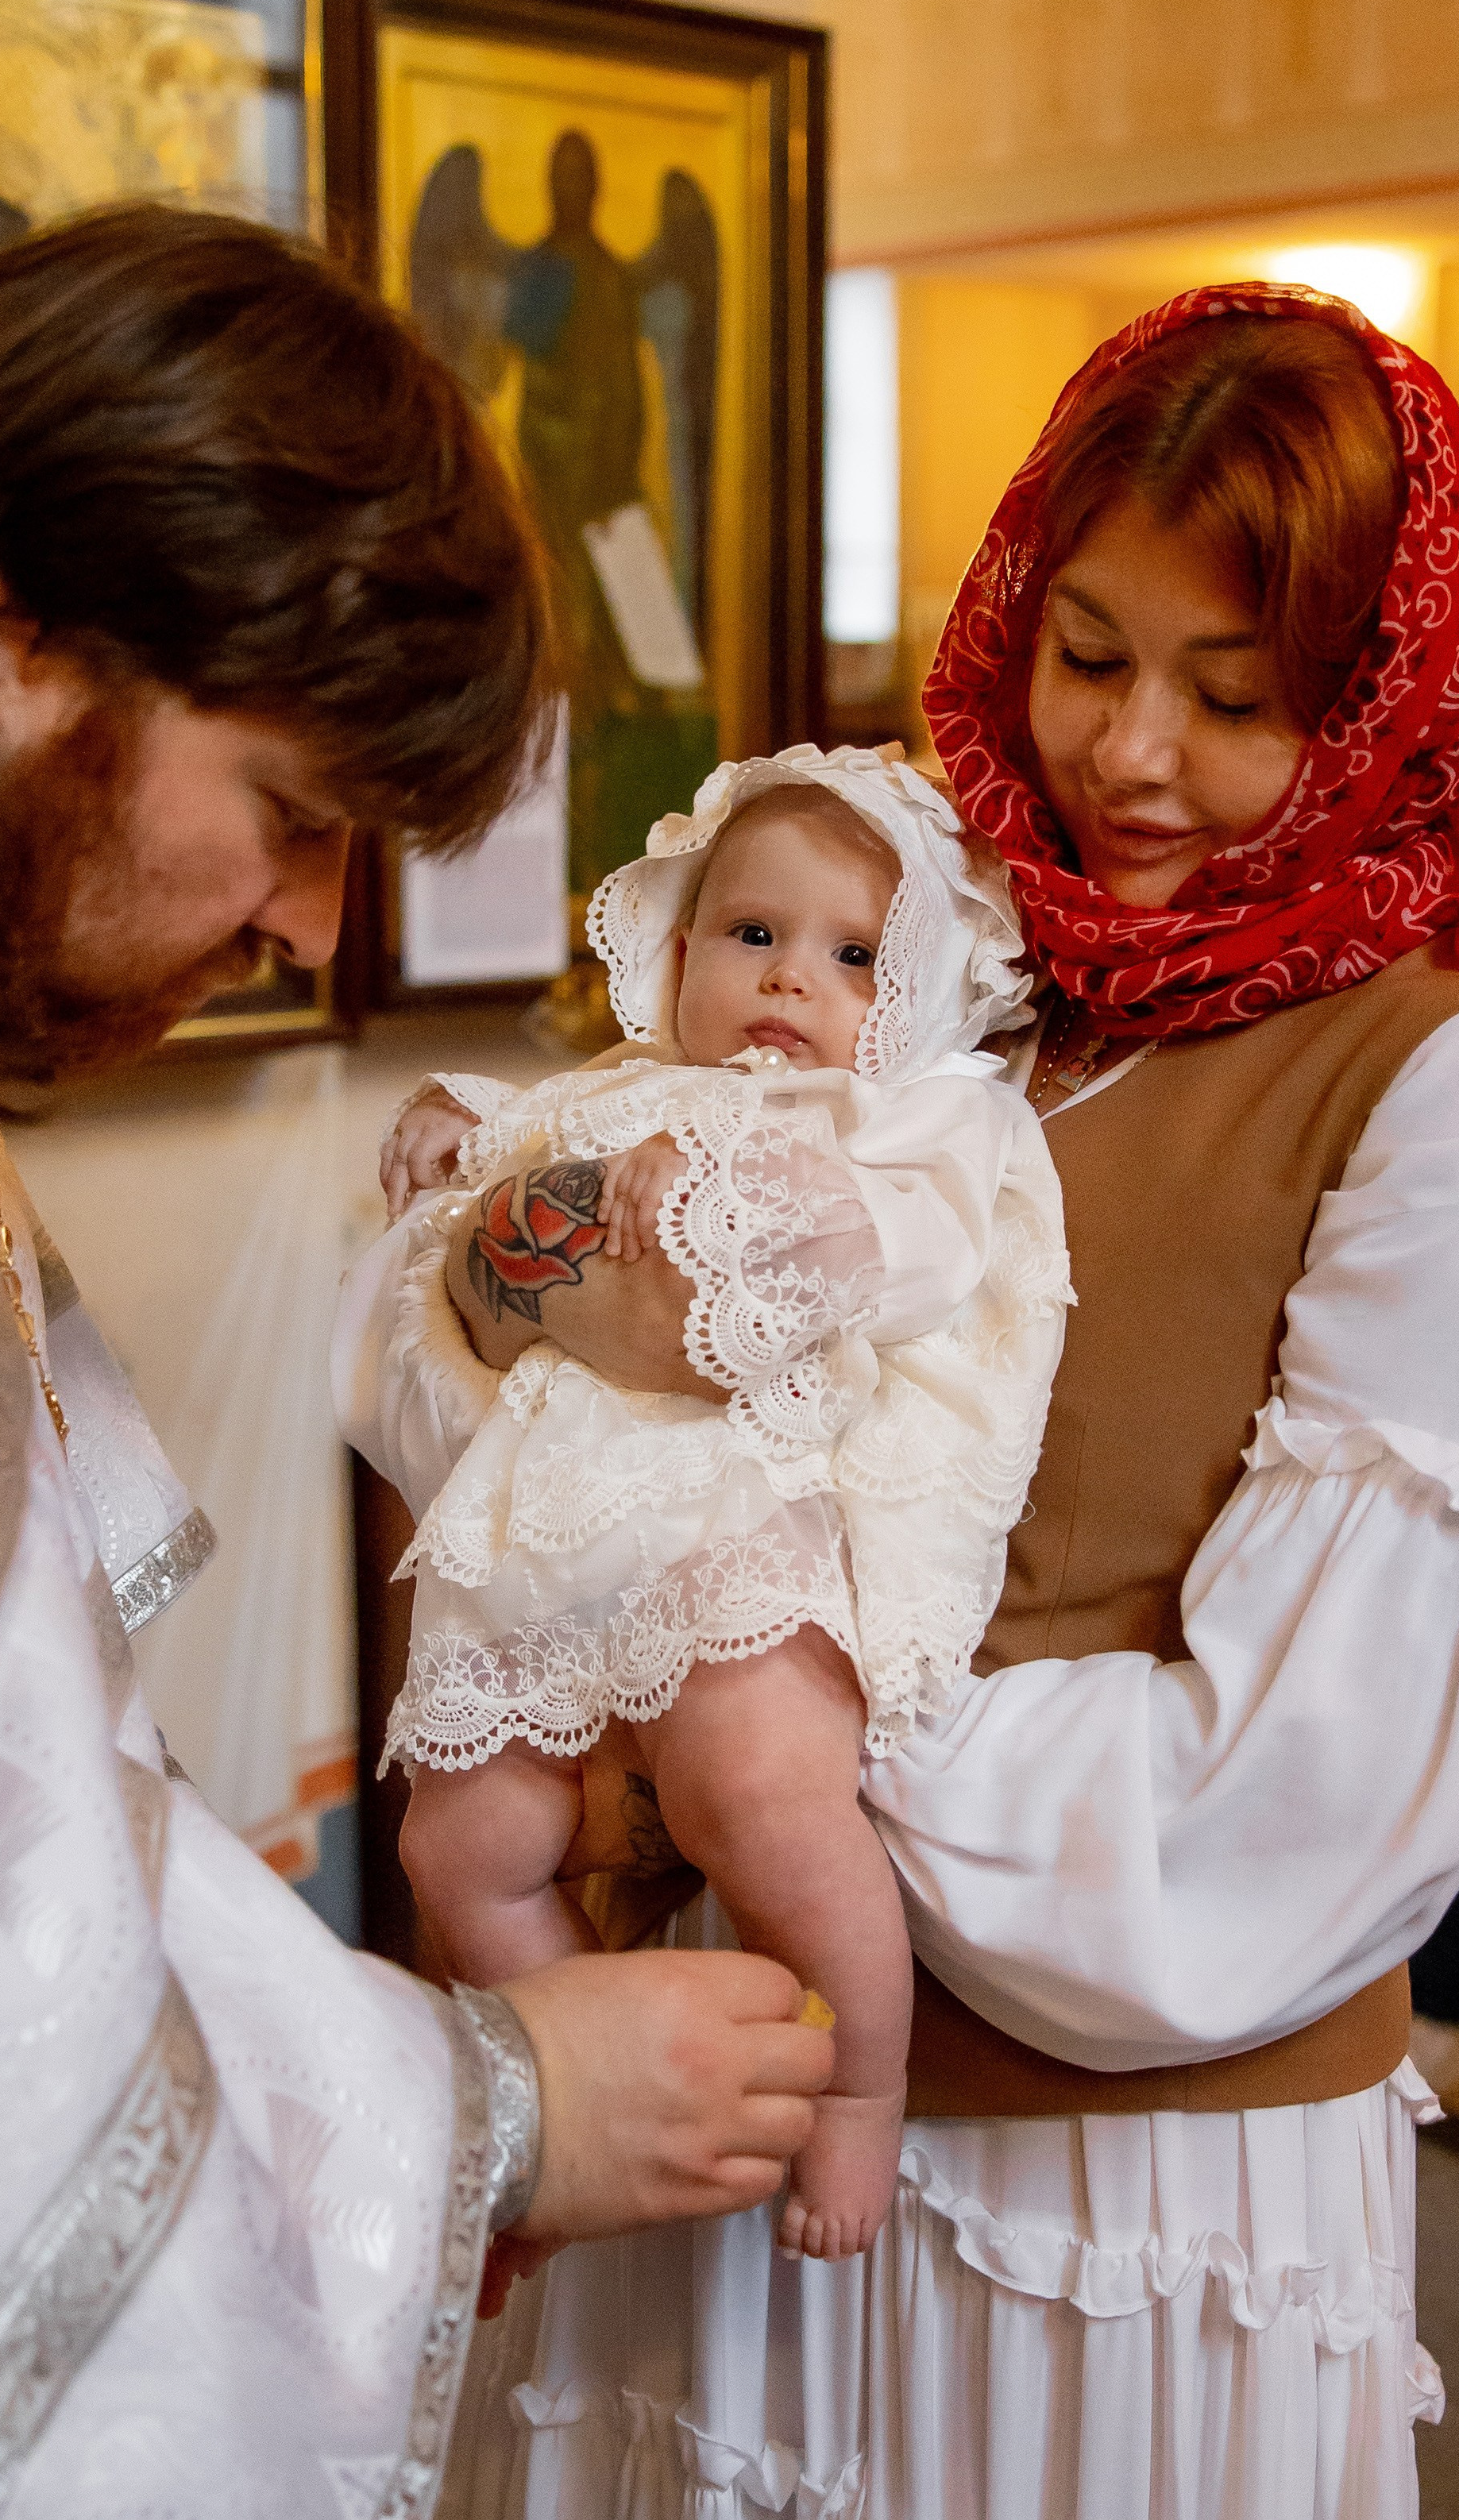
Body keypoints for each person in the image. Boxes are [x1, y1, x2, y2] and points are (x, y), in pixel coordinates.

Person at [0, 203, 835, 2518]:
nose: (300, 921)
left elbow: (9, 1827)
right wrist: (479, 2109)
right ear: (18, 634)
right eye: (292, 818)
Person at [388, 286, 1459, 2520]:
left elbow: (1287, 1802)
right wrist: (513, 1263)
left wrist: (703, 1751)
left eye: (1236, 699)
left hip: (1102, 2213)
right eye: (1087, 652)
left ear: (1377, 701)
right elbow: (461, 1340)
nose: (1126, 755)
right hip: (712, 2116)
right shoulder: (921, 955)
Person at [338, 746, 1068, 2260]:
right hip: (542, 1563)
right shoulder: (621, 1088)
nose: (790, 981)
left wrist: (728, 1200)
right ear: (675, 949)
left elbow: (924, 1252)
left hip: (735, 1535)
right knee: (452, 1856)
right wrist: (446, 1123)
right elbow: (514, 1142)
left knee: (761, 1797)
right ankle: (568, 2074)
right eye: (752, 935)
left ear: (922, 991)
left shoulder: (911, 1118)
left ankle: (860, 2087)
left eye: (854, 955)